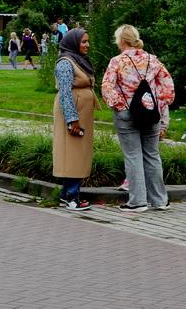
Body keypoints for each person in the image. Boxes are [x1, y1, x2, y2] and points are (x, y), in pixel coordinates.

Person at [101, 24, 176, 212]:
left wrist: (120, 106)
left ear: (122, 41)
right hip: (150, 112)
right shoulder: (153, 60)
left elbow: (107, 87)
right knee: (152, 155)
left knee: (133, 156)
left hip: (127, 114)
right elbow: (168, 87)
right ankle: (160, 200)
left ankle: (137, 202)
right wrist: (158, 104)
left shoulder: (117, 61)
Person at [52, 28, 97, 211]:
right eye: (83, 42)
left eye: (87, 41)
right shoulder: (65, 63)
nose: (87, 45)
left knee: (77, 153)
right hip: (73, 114)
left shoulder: (79, 60)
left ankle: (66, 194)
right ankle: (72, 197)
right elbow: (65, 93)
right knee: (72, 154)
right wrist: (72, 119)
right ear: (73, 43)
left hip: (81, 112)